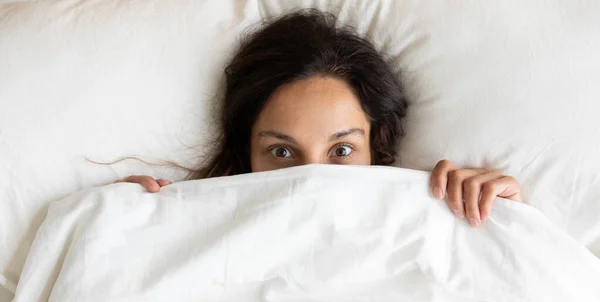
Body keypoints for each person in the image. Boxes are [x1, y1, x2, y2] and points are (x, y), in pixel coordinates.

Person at [115, 9, 521, 228]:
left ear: (374, 146)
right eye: (281, 151)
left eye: (341, 149)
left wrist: (499, 218)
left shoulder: (426, 217)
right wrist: (124, 224)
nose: (313, 179)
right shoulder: (197, 226)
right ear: (247, 154)